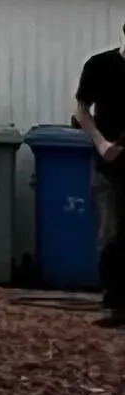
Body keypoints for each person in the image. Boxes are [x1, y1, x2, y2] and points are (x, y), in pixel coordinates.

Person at [76, 37, 125, 325]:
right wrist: (102, 144)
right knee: (110, 233)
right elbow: (81, 110)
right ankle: (114, 304)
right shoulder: (100, 66)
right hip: (110, 164)